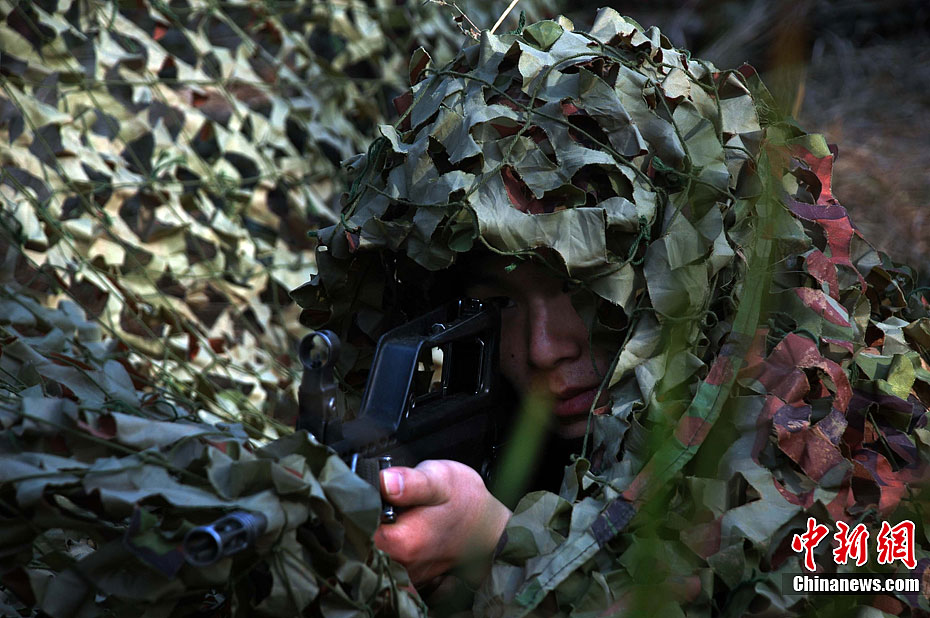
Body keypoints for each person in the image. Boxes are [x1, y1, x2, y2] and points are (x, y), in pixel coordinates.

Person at [293, 8, 930, 616]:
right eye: (500, 304)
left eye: (584, 286)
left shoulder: (829, 414)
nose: (545, 348)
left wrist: (501, 551)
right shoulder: (507, 423)